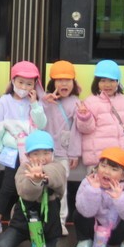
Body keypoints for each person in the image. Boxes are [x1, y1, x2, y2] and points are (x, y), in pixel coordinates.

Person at [0, 61, 47, 240]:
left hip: (31, 152)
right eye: (20, 82)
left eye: (29, 84)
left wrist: (35, 104)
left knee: (32, 187)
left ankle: (32, 223)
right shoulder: (4, 101)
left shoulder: (35, 103)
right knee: (7, 186)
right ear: (13, 81)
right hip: (12, 152)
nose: (24, 87)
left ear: (35, 85)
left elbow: (42, 124)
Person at [0, 130, 66, 247]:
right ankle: (18, 237)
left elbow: (57, 179)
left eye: (46, 153)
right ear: (27, 155)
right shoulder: (23, 169)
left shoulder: (57, 167)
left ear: (52, 153)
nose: (41, 158)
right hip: (24, 218)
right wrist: (35, 181)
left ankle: (50, 242)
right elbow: (26, 193)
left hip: (48, 223)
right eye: (36, 153)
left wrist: (42, 175)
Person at [73, 147, 124, 247]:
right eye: (103, 166)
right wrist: (93, 191)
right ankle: (85, 241)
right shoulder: (88, 182)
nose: (107, 172)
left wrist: (120, 199)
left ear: (123, 175)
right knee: (78, 213)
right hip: (94, 230)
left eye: (114, 169)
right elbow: (85, 211)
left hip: (116, 232)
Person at [42, 60, 83, 236]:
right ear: (53, 82)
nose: (63, 83)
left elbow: (77, 131)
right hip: (43, 152)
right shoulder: (45, 100)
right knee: (42, 186)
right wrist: (44, 103)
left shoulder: (76, 103)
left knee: (61, 189)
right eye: (59, 80)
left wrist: (74, 153)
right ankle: (44, 219)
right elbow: (36, 121)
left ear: (73, 82)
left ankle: (60, 221)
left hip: (63, 153)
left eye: (67, 80)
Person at [75, 60, 124, 169]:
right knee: (96, 181)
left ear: (118, 82)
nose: (107, 84)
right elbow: (86, 129)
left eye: (112, 80)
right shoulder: (90, 102)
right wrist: (84, 117)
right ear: (97, 82)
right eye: (103, 80)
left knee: (119, 181)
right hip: (98, 159)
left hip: (119, 157)